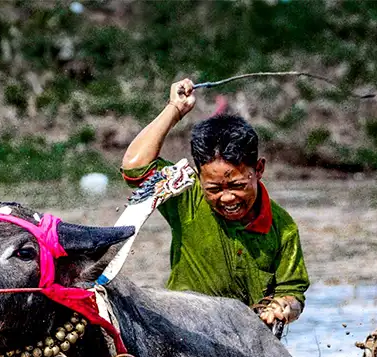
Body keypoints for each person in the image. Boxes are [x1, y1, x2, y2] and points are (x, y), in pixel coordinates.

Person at [121, 79, 309, 328]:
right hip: (186, 332)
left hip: (251, 339)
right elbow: (135, 169)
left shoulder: (283, 227)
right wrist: (174, 109)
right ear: (198, 177)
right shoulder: (186, 198)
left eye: (238, 186)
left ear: (259, 169)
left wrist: (284, 306)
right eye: (214, 189)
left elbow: (292, 290)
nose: (228, 198)